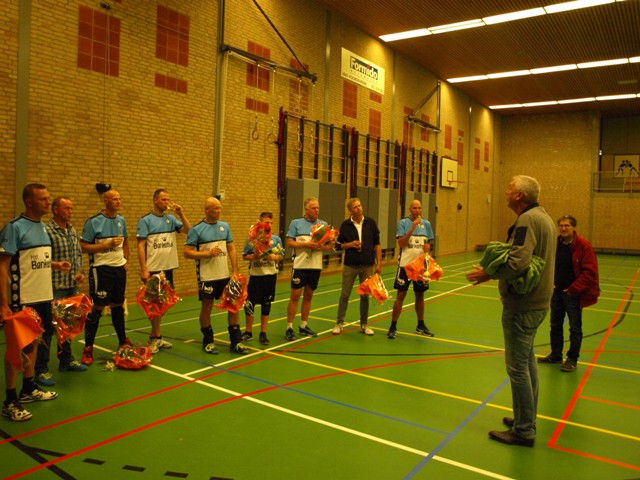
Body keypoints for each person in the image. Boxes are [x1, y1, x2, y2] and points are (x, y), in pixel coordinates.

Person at [466, 175, 556, 447]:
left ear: (519, 196)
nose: (505, 192)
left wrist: (487, 273)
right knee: (527, 363)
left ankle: (524, 431)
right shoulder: (544, 218)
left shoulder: (527, 220)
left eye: (509, 188)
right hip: (538, 303)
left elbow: (518, 262)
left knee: (517, 368)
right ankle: (525, 418)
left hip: (523, 305)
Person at [0, 184, 59, 422]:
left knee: (33, 343)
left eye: (48, 198)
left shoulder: (42, 227)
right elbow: (3, 266)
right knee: (16, 348)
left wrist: (56, 265)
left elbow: (34, 259)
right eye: (43, 199)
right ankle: (10, 400)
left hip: (42, 297)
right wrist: (3, 304)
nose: (48, 202)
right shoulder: (14, 227)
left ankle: (28, 387)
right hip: (22, 300)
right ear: (29, 202)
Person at [35, 196, 88, 385]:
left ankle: (66, 360)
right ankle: (41, 369)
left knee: (67, 327)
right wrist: (56, 265)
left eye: (71, 208)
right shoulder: (47, 230)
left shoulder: (72, 230)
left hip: (71, 287)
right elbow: (41, 258)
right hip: (53, 287)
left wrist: (80, 272)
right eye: (66, 208)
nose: (70, 212)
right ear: (55, 210)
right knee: (48, 330)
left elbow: (78, 254)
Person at [184, 197, 247, 355]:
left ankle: (236, 341)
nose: (220, 211)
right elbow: (187, 252)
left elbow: (231, 249)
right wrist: (206, 253)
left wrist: (235, 271)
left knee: (233, 306)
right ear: (207, 210)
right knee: (207, 307)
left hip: (225, 275)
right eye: (216, 208)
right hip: (207, 277)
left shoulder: (225, 226)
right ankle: (208, 341)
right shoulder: (196, 229)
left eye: (220, 207)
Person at [538, 215, 599, 373]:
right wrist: (550, 281)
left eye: (567, 225)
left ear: (573, 227)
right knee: (555, 325)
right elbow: (548, 263)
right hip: (556, 292)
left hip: (573, 295)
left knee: (575, 328)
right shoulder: (556, 244)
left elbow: (590, 273)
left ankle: (572, 359)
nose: (563, 228)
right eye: (561, 225)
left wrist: (573, 289)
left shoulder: (584, 245)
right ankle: (556, 355)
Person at [137, 189, 191, 353]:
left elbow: (189, 230)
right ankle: (154, 338)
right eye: (163, 199)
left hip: (168, 267)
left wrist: (181, 214)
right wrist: (144, 268)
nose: (166, 202)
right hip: (154, 269)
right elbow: (140, 246)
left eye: (168, 199)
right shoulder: (145, 220)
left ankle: (156, 336)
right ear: (155, 201)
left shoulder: (171, 219)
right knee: (155, 305)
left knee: (164, 304)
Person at [80, 189, 130, 365]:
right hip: (101, 270)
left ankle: (123, 341)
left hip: (119, 270)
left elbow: (126, 241)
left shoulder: (121, 220)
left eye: (120, 198)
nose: (118, 201)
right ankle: (88, 348)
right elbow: (83, 246)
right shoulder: (93, 222)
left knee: (117, 305)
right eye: (114, 199)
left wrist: (126, 259)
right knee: (98, 307)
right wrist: (105, 245)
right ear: (106, 201)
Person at [284, 197, 333, 341]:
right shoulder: (296, 223)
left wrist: (319, 247)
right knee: (295, 296)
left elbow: (329, 246)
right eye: (313, 208)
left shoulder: (323, 225)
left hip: (315, 266)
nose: (316, 210)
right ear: (306, 209)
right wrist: (306, 245)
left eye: (318, 207)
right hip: (300, 266)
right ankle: (289, 327)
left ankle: (304, 325)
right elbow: (290, 243)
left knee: (309, 295)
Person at [332, 198, 382, 336]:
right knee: (345, 295)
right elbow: (337, 246)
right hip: (350, 265)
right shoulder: (345, 225)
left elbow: (377, 244)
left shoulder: (371, 223)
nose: (359, 208)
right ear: (350, 210)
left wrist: (378, 263)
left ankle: (364, 324)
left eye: (359, 205)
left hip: (367, 265)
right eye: (355, 207)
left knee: (365, 296)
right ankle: (339, 323)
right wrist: (350, 244)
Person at [387, 199, 435, 339]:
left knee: (420, 295)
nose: (417, 211)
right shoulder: (403, 223)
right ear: (410, 209)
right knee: (400, 295)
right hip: (405, 266)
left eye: (419, 208)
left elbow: (429, 245)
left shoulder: (427, 224)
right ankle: (393, 326)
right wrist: (412, 228)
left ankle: (420, 325)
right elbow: (401, 244)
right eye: (414, 208)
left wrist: (428, 248)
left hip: (421, 267)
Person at [241, 212, 284, 346]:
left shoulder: (276, 239)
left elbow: (281, 255)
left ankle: (263, 333)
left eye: (271, 223)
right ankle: (248, 332)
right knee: (250, 304)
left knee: (266, 304)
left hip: (270, 276)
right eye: (266, 223)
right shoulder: (252, 239)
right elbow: (245, 256)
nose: (269, 225)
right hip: (256, 276)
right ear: (260, 224)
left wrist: (273, 257)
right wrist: (256, 256)